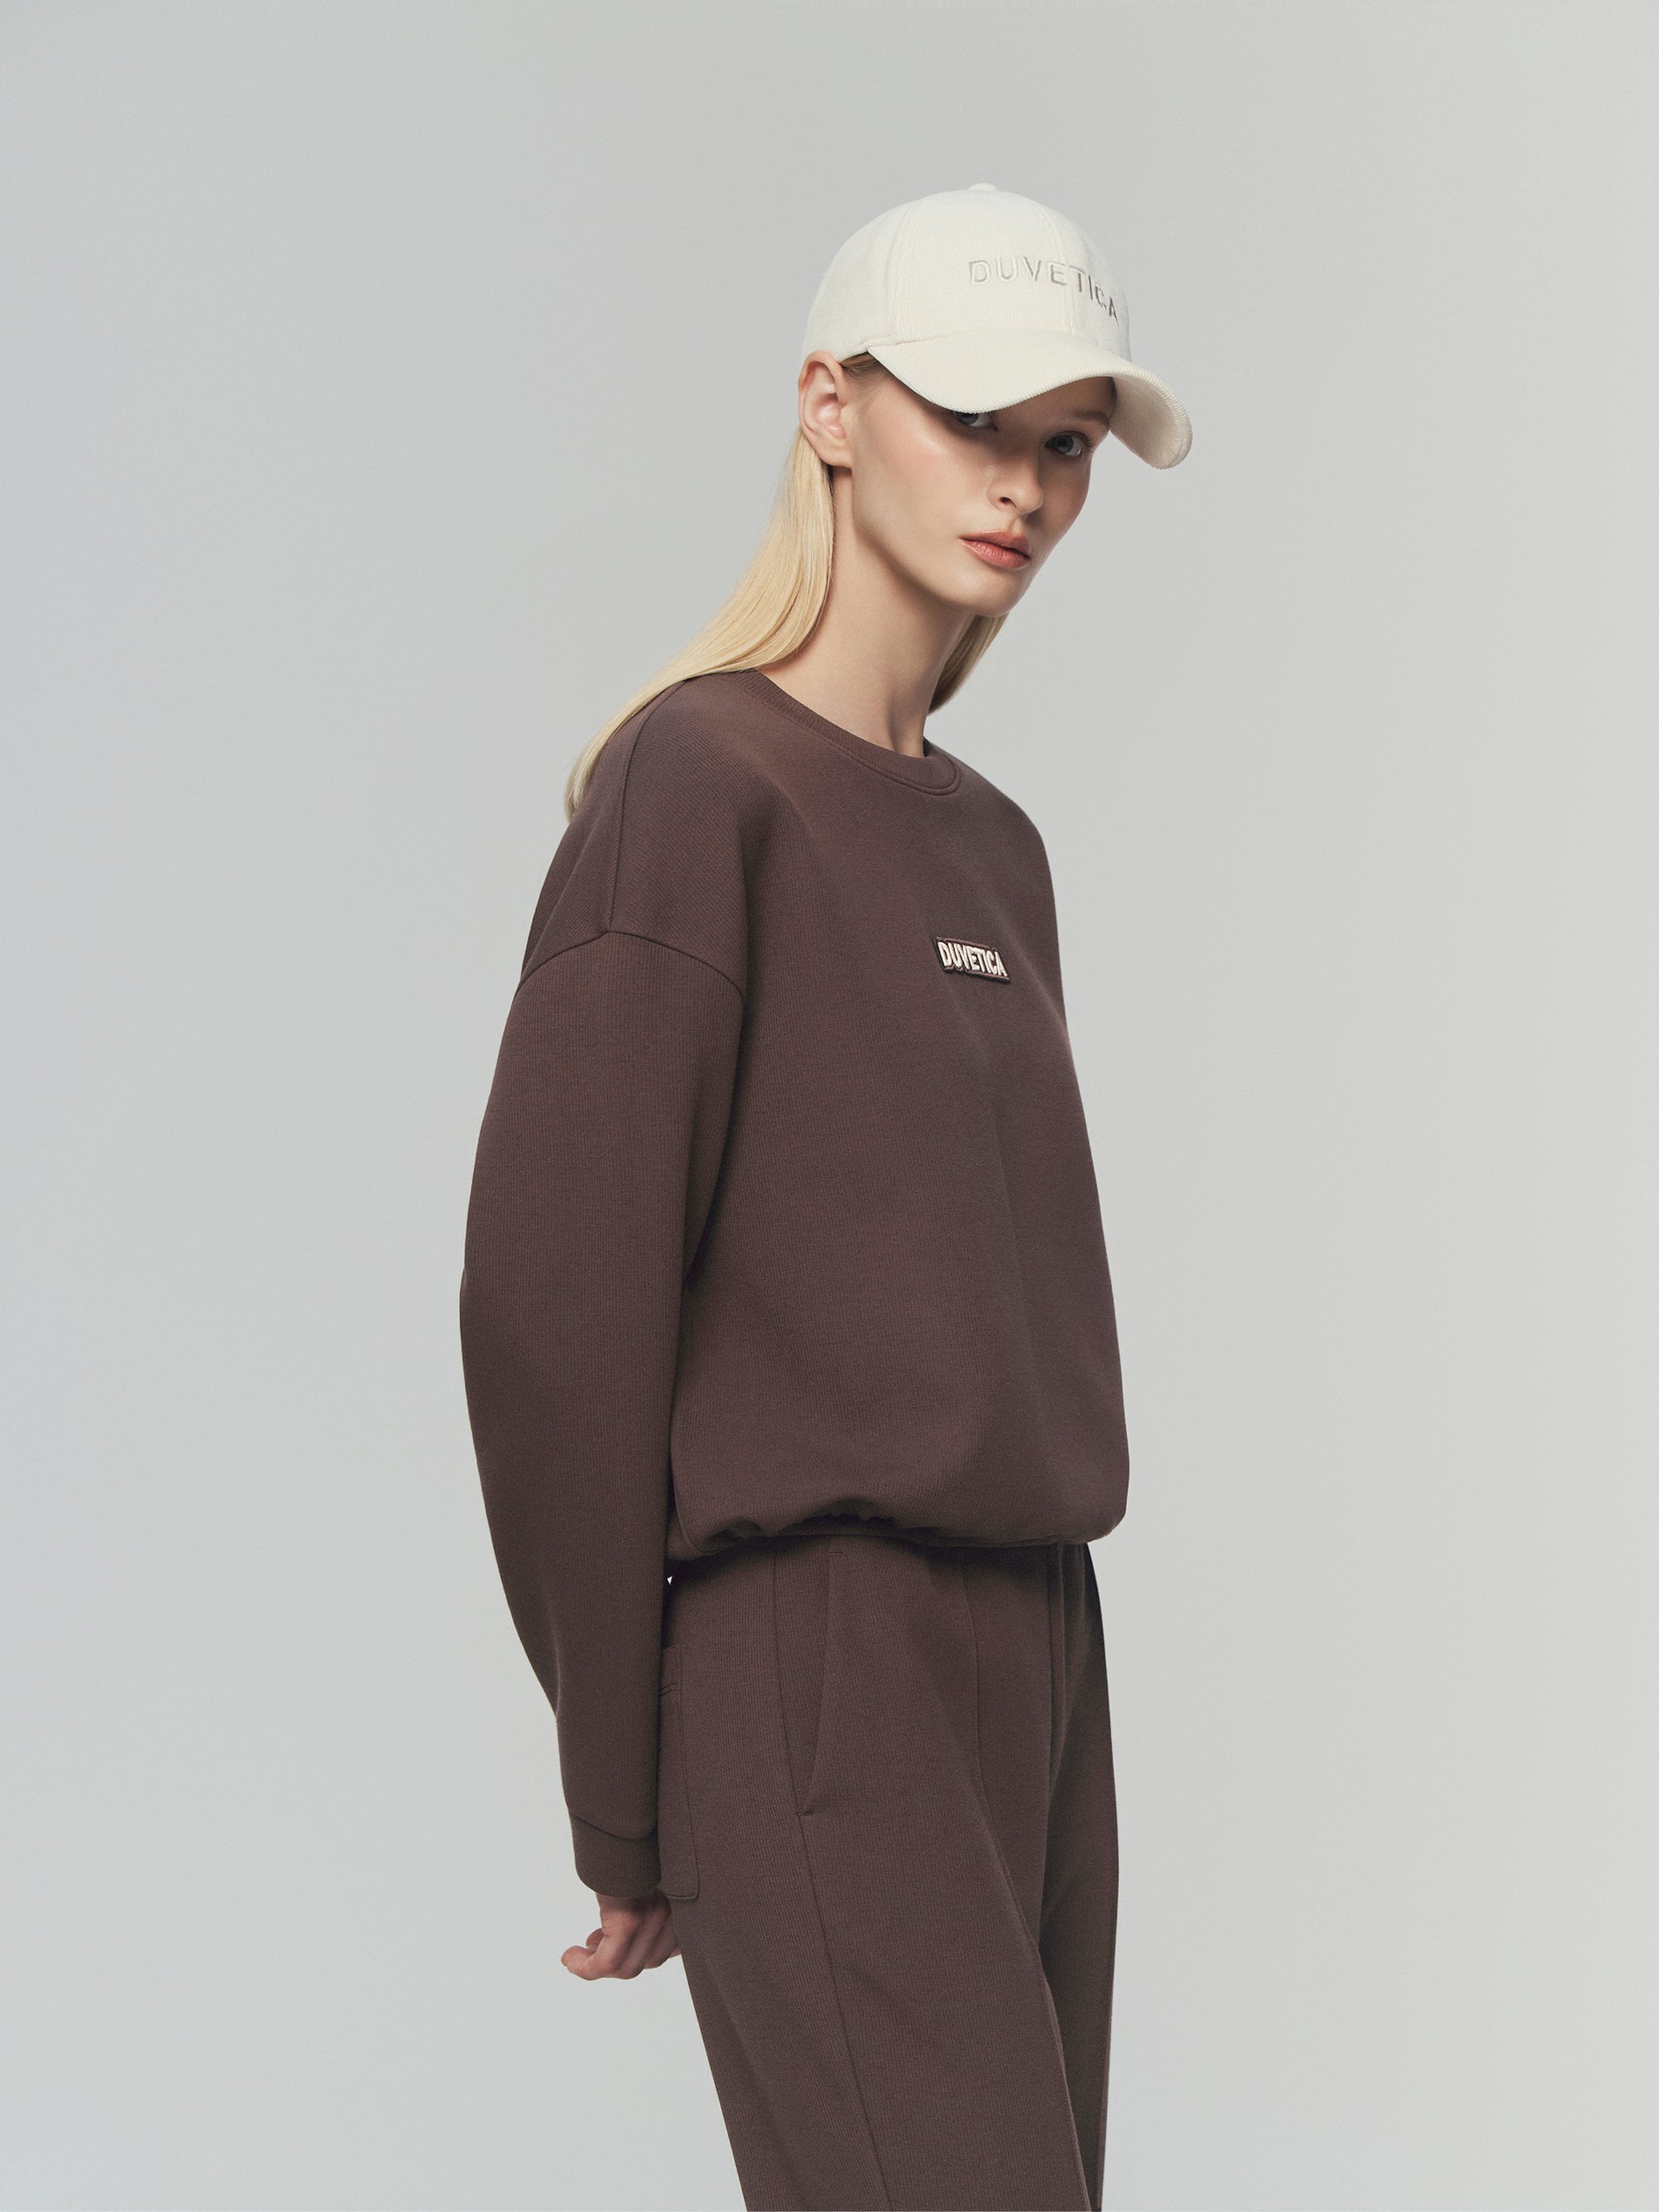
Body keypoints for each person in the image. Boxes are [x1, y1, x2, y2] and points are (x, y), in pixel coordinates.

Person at [458, 180, 1192, 2212]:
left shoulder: (993, 848)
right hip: (818, 1649)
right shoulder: (698, 787)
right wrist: (622, 1778)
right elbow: (556, 1317)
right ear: (830, 406)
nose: (1025, 486)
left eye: (1065, 443)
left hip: (1039, 1639)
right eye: (975, 420)